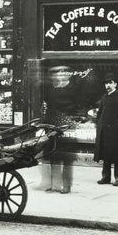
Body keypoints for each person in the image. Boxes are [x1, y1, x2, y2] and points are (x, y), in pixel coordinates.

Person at [41, 65, 78, 194]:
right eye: (57, 74)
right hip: (52, 125)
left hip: (65, 126)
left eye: (62, 73)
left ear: (68, 75)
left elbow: (77, 106)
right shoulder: (52, 90)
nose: (58, 76)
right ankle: (55, 185)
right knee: (52, 156)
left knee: (66, 158)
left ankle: (66, 185)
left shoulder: (74, 89)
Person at [92, 73, 118, 186]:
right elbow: (100, 113)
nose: (108, 85)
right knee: (106, 154)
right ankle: (106, 177)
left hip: (115, 132)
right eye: (106, 83)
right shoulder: (104, 97)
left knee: (117, 155)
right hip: (104, 131)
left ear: (115, 84)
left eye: (110, 83)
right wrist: (98, 123)